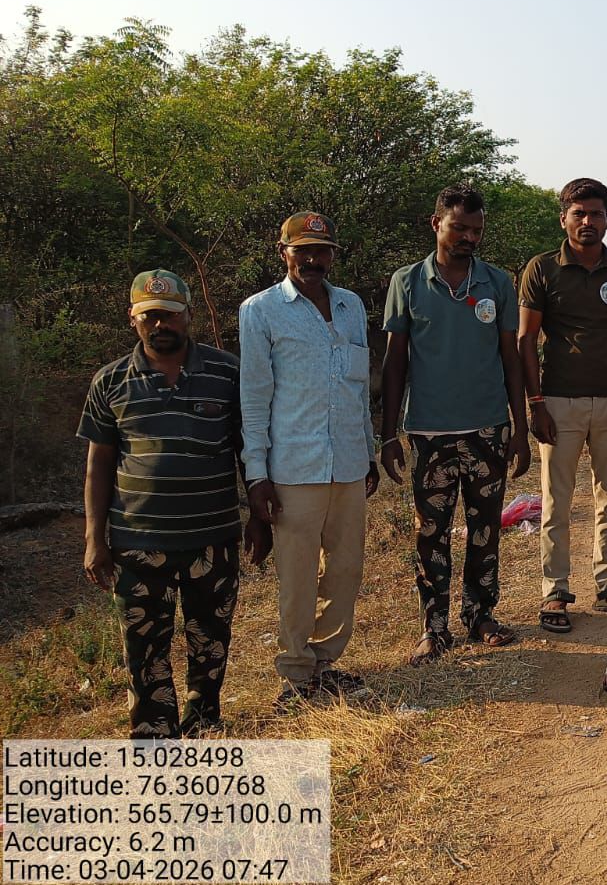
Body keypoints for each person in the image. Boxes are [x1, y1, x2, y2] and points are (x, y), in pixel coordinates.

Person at [80, 270, 266, 737]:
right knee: (143, 649)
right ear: (133, 319)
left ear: (189, 316)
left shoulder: (227, 373)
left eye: (170, 315)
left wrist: (258, 517)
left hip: (212, 539)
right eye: (150, 316)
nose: (161, 325)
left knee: (211, 642)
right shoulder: (110, 381)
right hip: (138, 542)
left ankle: (204, 725)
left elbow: (248, 449)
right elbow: (99, 465)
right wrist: (94, 539)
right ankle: (154, 738)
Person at [381, 184, 530, 665]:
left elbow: (511, 358)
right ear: (436, 224)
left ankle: (481, 615)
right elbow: (395, 364)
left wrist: (520, 429)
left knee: (485, 528)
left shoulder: (497, 283)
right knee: (431, 533)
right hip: (429, 432)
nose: (469, 237)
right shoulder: (407, 282)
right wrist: (388, 434)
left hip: (488, 429)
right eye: (459, 228)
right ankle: (434, 627)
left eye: (476, 230)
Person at [240, 212, 379, 708]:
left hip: (348, 462)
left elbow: (358, 388)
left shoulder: (350, 305)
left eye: (322, 251)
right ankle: (296, 674)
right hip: (294, 469)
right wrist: (256, 475)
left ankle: (325, 663)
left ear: (333, 255)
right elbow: (254, 398)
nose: (313, 260)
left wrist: (368, 451)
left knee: (346, 570)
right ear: (284, 253)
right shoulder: (260, 311)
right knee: (297, 577)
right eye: (303, 251)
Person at [517, 178, 607, 634]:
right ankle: (555, 590)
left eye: (596, 213)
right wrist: (536, 404)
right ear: (564, 219)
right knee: (556, 503)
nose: (588, 221)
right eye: (579, 214)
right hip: (559, 402)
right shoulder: (542, 269)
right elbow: (526, 339)